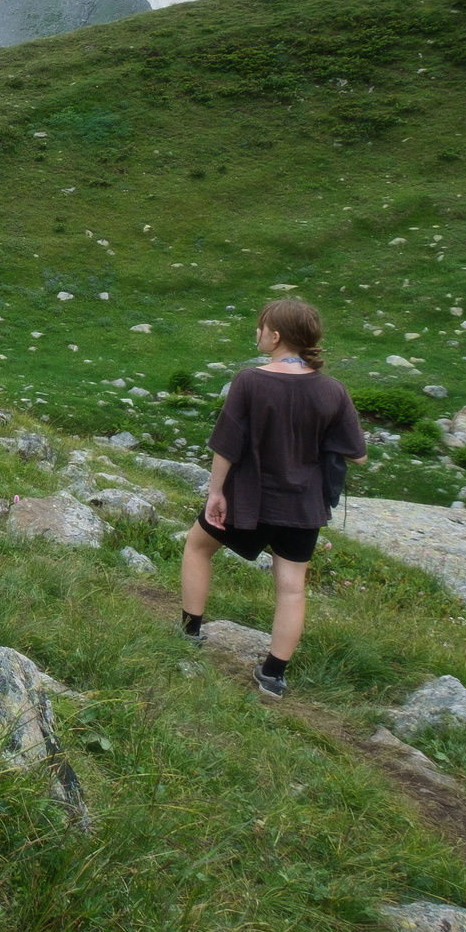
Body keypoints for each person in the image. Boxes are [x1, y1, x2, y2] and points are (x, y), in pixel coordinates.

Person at [180, 297, 366, 697]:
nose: (257, 333)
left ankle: (190, 632)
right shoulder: (333, 389)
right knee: (292, 586)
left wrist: (216, 493)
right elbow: (358, 453)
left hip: (251, 499)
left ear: (276, 335)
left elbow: (227, 446)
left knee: (197, 546)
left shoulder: (250, 380)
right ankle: (273, 675)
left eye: (261, 327)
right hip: (305, 505)